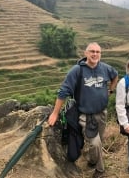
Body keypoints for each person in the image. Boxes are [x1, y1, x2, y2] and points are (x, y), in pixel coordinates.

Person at [48, 42, 118, 178]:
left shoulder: (105, 68)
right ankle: (100, 170)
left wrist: (111, 89)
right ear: (85, 53)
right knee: (95, 143)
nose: (95, 54)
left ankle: (92, 160)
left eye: (98, 52)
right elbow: (63, 91)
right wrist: (55, 113)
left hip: (102, 113)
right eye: (92, 51)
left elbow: (115, 75)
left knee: (99, 142)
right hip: (85, 115)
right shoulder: (77, 70)